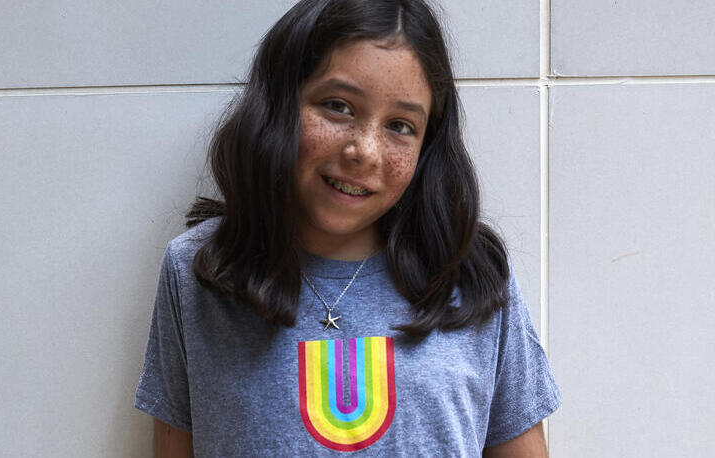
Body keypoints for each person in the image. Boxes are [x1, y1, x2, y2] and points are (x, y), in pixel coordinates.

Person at [134, 0, 562, 456]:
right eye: (338, 107)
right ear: (279, 103)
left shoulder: (471, 273)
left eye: (400, 126)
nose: (365, 151)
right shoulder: (200, 270)